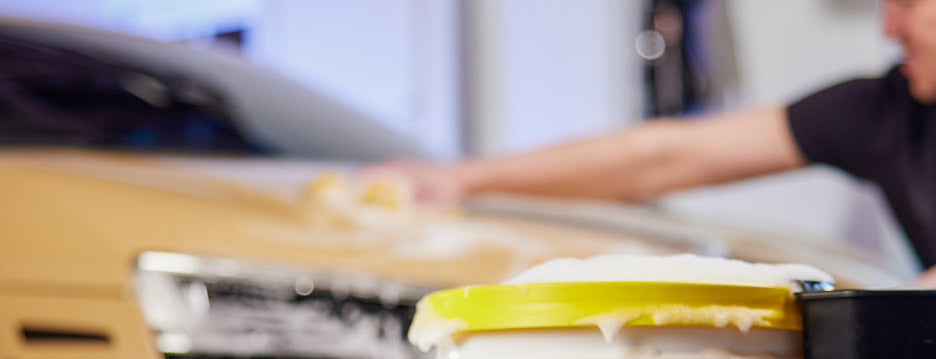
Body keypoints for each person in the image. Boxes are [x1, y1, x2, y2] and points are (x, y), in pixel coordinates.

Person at [378, 0, 936, 286]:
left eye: (908, 4)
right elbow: (662, 157)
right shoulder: (883, 111)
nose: (889, 28)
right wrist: (459, 180)